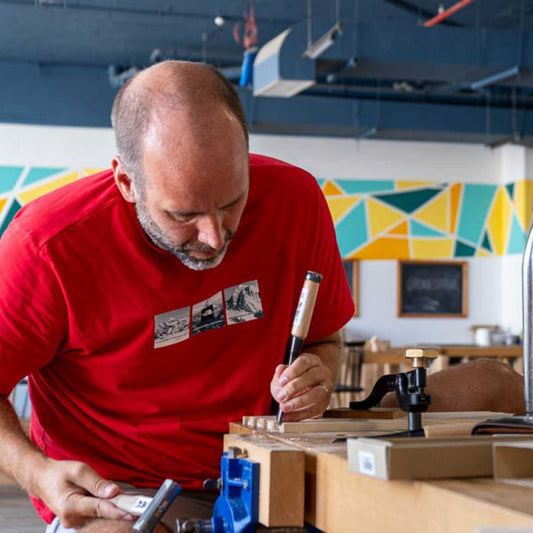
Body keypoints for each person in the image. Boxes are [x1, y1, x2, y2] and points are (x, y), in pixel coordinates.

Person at [0, 60, 355, 532]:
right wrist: (38, 472)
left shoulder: (296, 200)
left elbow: (325, 339)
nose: (214, 237)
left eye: (232, 203)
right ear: (127, 183)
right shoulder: (46, 247)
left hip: (262, 471)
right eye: (183, 214)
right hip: (118, 493)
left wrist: (320, 375)